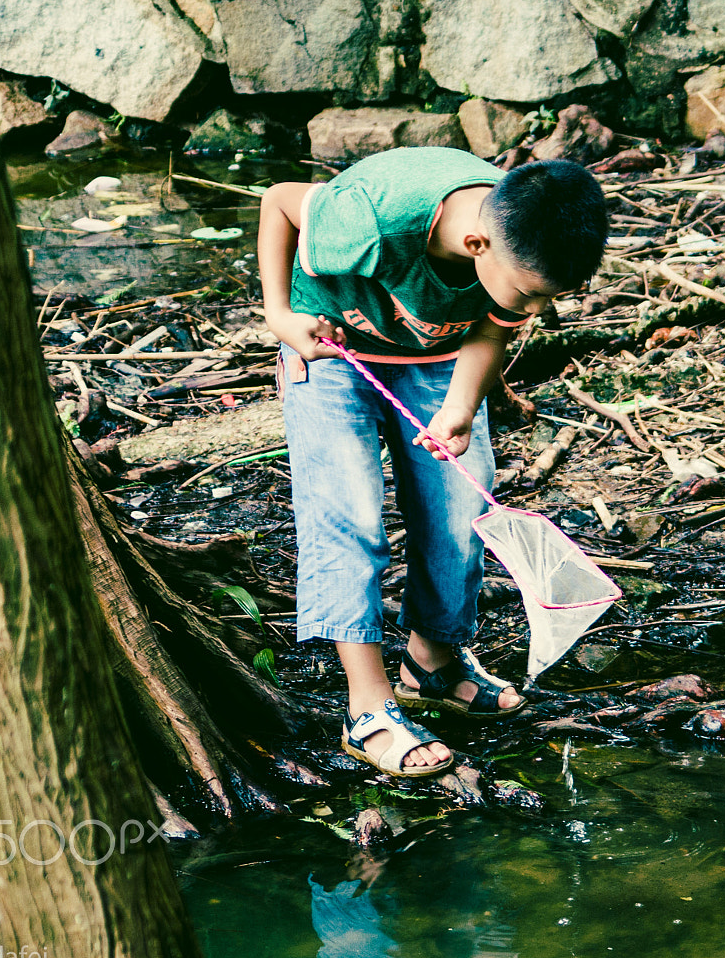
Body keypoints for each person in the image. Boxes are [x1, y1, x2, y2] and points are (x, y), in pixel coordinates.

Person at [258, 147, 607, 778]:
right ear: (476, 245)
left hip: (437, 356)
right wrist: (280, 315)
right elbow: (280, 200)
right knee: (351, 514)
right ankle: (367, 707)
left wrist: (461, 409)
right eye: (531, 296)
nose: (534, 313)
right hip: (333, 354)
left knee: (459, 505)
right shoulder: (370, 222)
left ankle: (432, 664)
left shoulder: (520, 232)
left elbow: (493, 325)